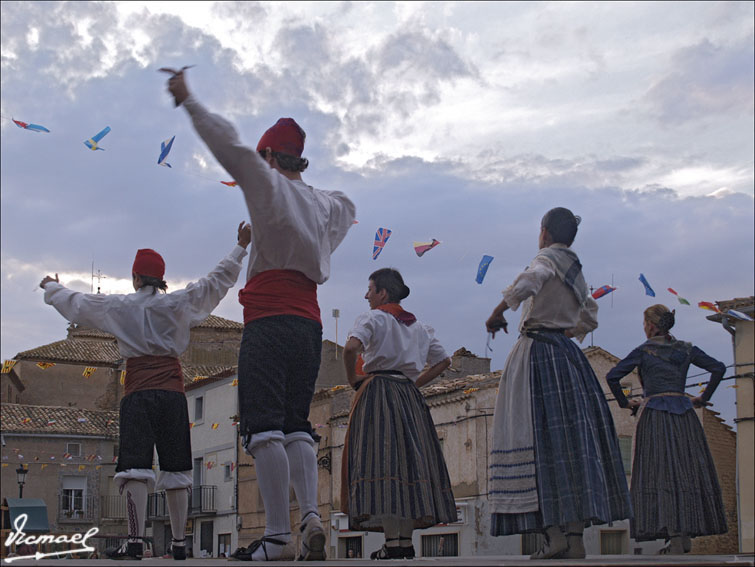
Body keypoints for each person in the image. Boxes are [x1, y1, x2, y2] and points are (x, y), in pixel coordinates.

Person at [164, 68, 356, 562]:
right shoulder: (327, 204)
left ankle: (276, 538)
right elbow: (344, 212)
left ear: (269, 156)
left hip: (269, 318)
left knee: (264, 426)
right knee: (296, 423)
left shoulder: (268, 184)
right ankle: (311, 517)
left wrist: (188, 100)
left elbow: (226, 144)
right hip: (309, 322)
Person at [40, 222, 251, 560]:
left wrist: (52, 287)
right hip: (171, 390)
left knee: (135, 466)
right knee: (178, 467)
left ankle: (135, 541)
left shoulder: (120, 306)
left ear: (135, 277)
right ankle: (180, 544)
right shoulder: (179, 303)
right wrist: (240, 247)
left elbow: (78, 304)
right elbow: (215, 282)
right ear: (161, 279)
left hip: (137, 390)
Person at [484, 207, 632, 559]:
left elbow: (528, 281)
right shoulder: (576, 272)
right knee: (570, 443)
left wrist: (497, 312)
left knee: (534, 437)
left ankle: (555, 537)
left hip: (536, 354)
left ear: (545, 232)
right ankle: (575, 538)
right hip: (567, 356)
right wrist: (567, 330)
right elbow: (590, 314)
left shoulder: (546, 260)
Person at [342, 268, 456, 560]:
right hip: (409, 396)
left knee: (383, 466)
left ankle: (393, 543)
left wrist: (354, 380)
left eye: (370, 289)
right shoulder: (419, 326)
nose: (366, 295)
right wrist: (414, 383)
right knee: (407, 467)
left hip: (378, 392)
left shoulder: (372, 318)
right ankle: (404, 541)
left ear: (382, 293)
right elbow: (444, 361)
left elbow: (351, 348)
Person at [606, 304, 727, 554]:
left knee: (660, 473)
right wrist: (701, 400)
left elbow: (612, 377)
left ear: (651, 325)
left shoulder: (643, 351)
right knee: (685, 472)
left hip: (655, 416)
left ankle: (674, 534)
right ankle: (683, 534)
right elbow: (718, 368)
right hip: (684, 415)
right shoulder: (687, 349)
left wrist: (626, 403)